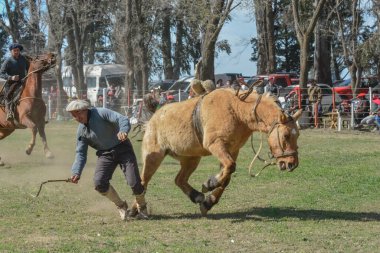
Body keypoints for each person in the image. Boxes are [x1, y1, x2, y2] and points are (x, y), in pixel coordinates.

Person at [66, 99, 148, 221]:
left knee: (134, 182)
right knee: (99, 183)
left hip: (123, 148)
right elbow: (80, 154)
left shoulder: (101, 112)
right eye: (73, 115)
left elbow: (123, 119)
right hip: (105, 154)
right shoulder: (81, 131)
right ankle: (121, 205)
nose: (77, 117)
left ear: (85, 110)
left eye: (78, 113)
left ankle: (142, 206)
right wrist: (76, 172)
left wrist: (123, 130)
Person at [0, 43, 30, 121]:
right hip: (10, 83)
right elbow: (1, 73)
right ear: (11, 51)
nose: (16, 52)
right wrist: (11, 77)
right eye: (14, 50)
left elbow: (29, 68)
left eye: (17, 50)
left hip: (22, 82)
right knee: (8, 96)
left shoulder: (23, 59)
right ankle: (9, 112)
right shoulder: (8, 61)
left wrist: (28, 77)